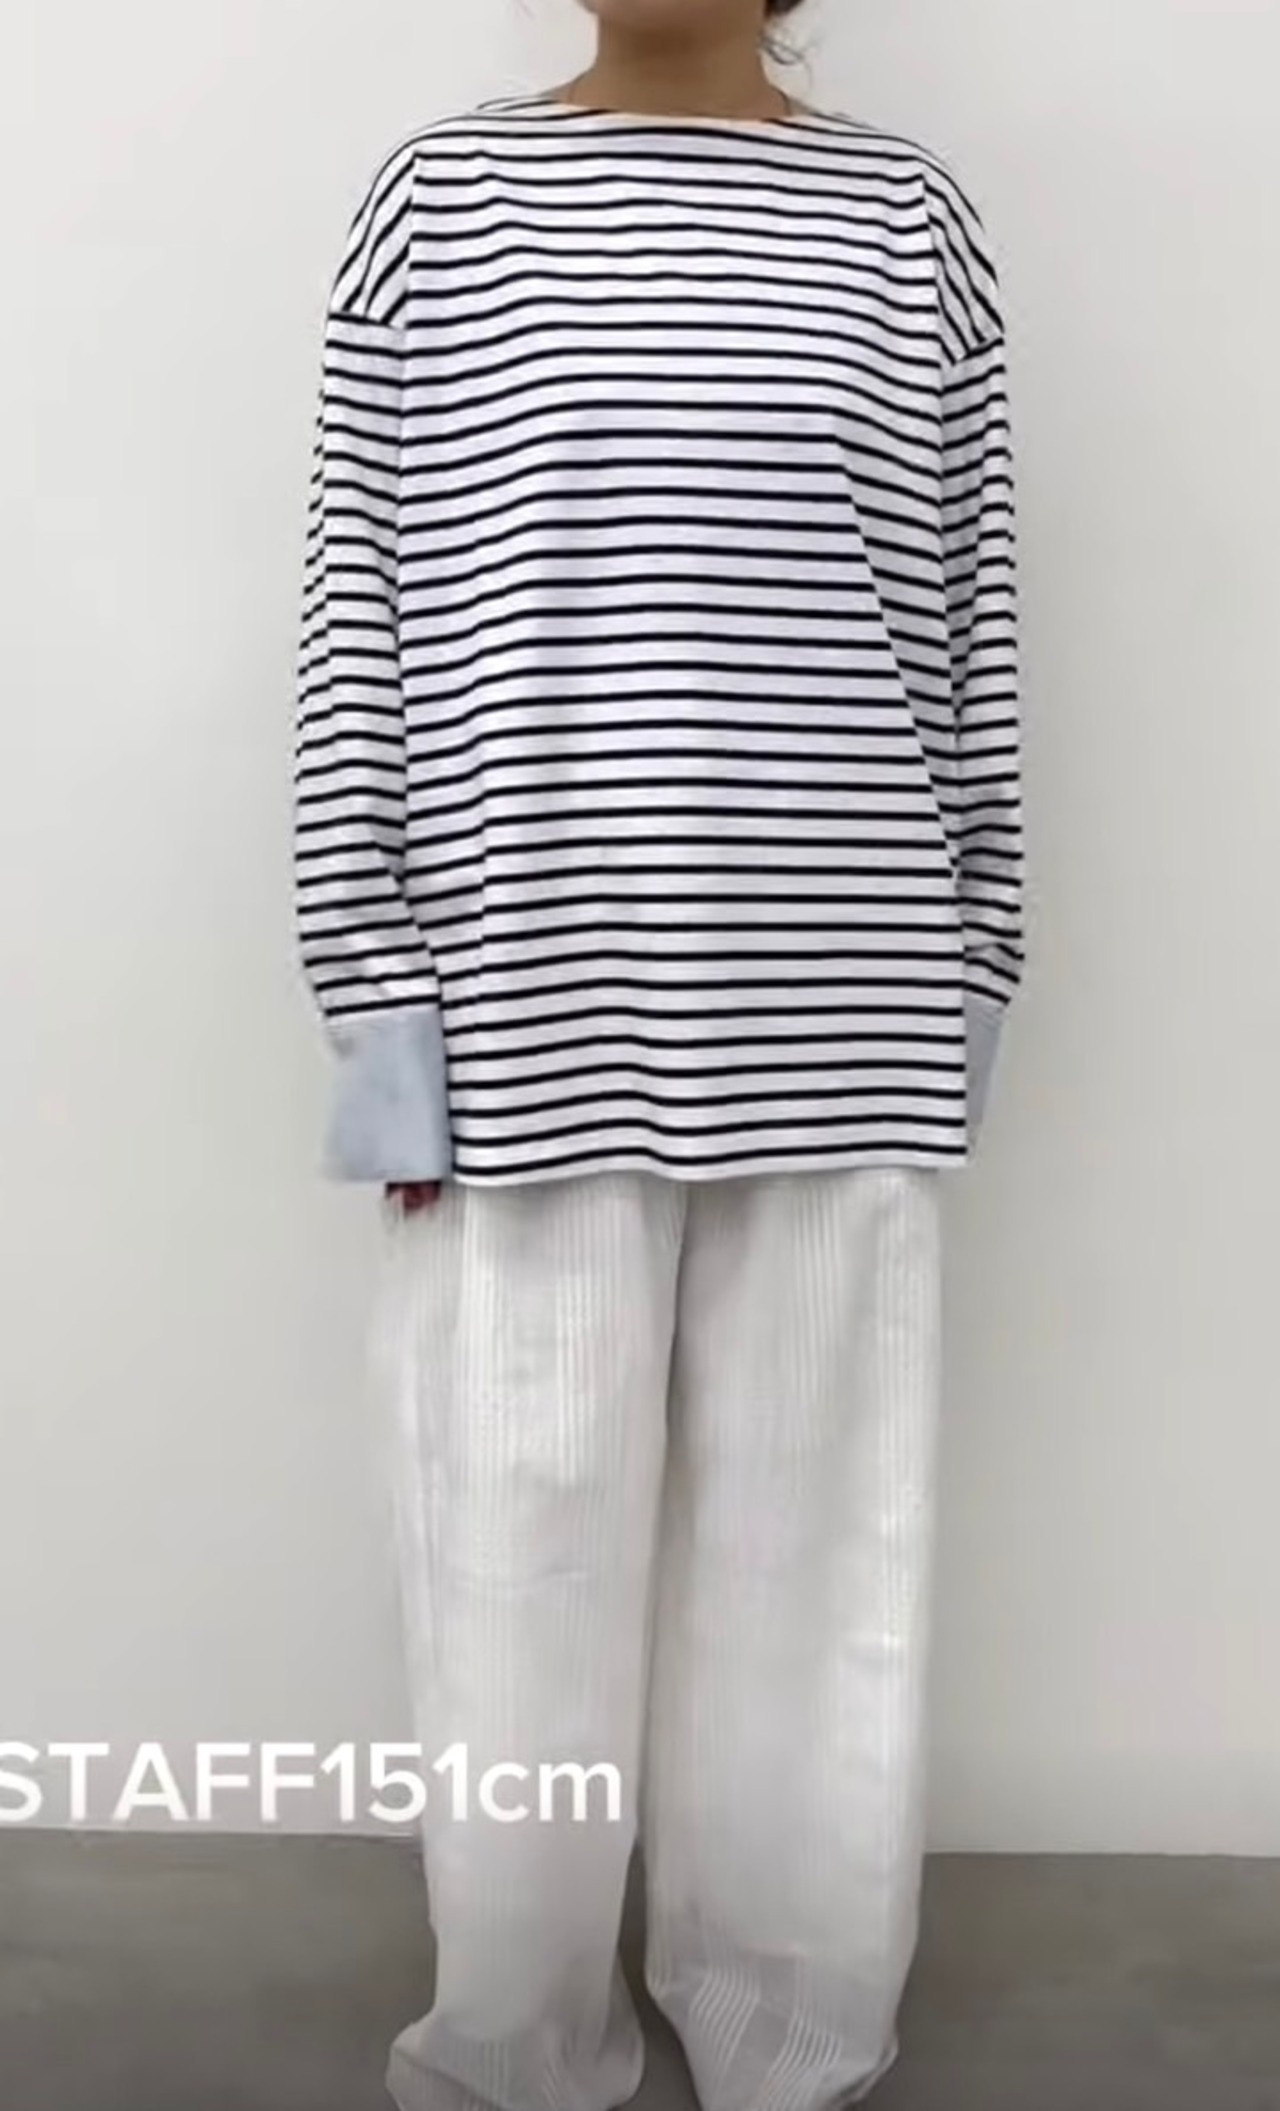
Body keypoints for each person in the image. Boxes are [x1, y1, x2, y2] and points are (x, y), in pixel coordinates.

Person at [293, 1, 1023, 2106]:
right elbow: (360, 620)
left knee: (821, 1573)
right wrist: (378, 1002)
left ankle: (792, 2015)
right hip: (522, 1006)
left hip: (844, 998)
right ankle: (519, 2035)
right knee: (513, 1566)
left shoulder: (908, 218)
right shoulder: (444, 201)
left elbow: (967, 626)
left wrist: (973, 965)